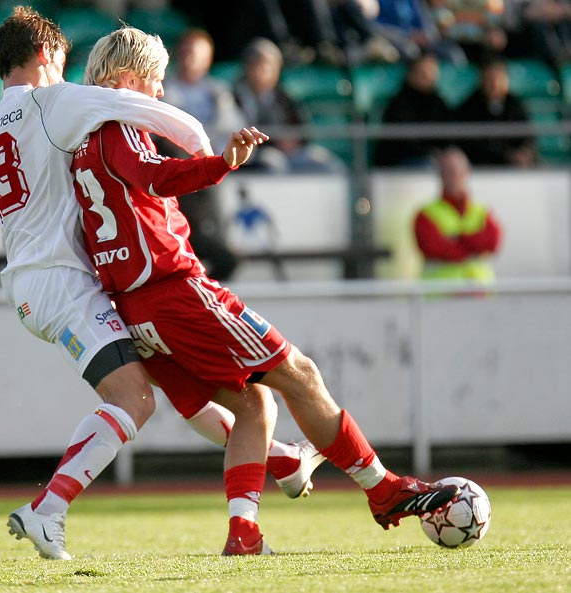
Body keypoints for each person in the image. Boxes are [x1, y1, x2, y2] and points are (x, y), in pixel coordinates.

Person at [0, 6, 324, 562]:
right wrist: (204, 148)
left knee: (167, 379)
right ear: (48, 57)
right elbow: (139, 105)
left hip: (37, 287)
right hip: (66, 283)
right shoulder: (56, 98)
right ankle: (47, 510)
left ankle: (281, 459)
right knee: (134, 398)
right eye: (63, 62)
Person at [73, 25, 462, 555]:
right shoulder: (118, 126)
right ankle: (384, 490)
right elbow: (156, 177)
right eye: (155, 81)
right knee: (299, 373)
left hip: (136, 306)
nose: (161, 93)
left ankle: (244, 534)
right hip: (174, 291)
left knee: (254, 403)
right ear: (123, 80)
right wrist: (221, 163)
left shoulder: (82, 141)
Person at [159, 28, 245, 281]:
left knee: (211, 234)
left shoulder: (219, 92)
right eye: (185, 53)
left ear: (208, 58)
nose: (189, 59)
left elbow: (232, 129)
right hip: (177, 169)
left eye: (195, 54)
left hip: (209, 169)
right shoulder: (161, 88)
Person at [232, 37, 345, 173]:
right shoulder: (235, 97)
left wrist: (294, 140)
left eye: (269, 66)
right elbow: (238, 131)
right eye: (257, 65)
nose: (263, 72)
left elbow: (303, 128)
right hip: (255, 155)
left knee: (330, 166)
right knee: (273, 164)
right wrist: (275, 140)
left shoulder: (285, 97)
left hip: (292, 152)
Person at [414, 146, 502, 281]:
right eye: (449, 170)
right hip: (442, 296)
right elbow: (434, 247)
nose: (454, 175)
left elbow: (492, 242)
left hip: (480, 294)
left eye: (458, 170)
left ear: (467, 172)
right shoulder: (425, 214)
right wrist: (473, 243)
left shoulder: (482, 209)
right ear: (440, 174)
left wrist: (457, 238)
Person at [453, 57, 537, 167]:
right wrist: (507, 155)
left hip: (516, 164)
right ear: (482, 80)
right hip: (482, 166)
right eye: (490, 79)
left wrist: (524, 151)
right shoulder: (468, 107)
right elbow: (472, 143)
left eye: (498, 78)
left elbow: (527, 134)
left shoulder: (516, 105)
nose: (494, 83)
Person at [374, 52, 453, 167]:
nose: (428, 77)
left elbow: (448, 132)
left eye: (432, 72)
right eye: (423, 73)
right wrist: (429, 152)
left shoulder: (438, 102)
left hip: (431, 157)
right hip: (401, 162)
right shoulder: (399, 103)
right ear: (411, 74)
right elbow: (400, 142)